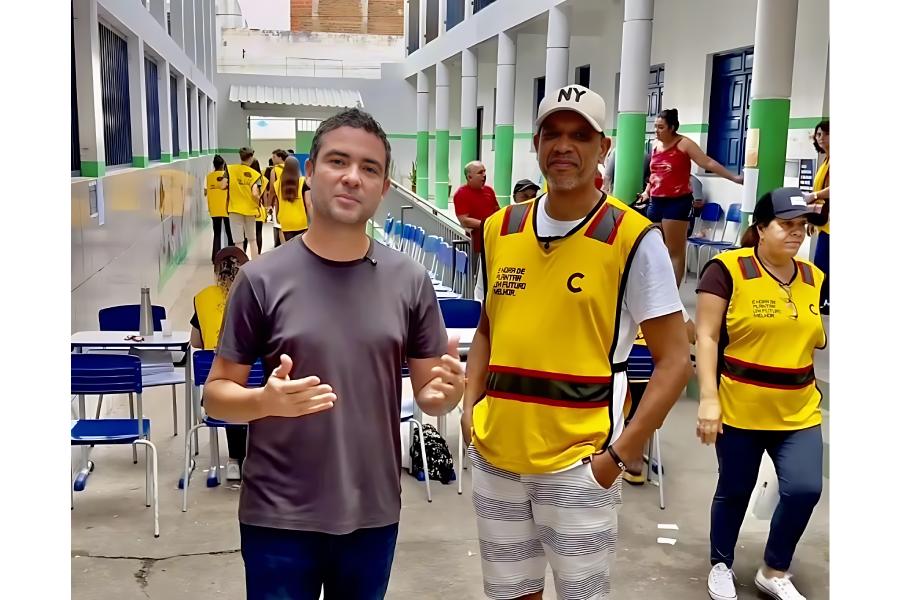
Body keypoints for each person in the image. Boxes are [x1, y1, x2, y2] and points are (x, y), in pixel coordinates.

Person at [203, 108, 466, 600]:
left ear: (384, 188)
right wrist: (263, 402)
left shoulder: (409, 281)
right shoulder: (261, 279)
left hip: (372, 513)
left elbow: (431, 394)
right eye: (338, 161)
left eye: (370, 168)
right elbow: (215, 395)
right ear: (310, 172)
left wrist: (447, 394)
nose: (352, 177)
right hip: (278, 516)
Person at [461, 84, 692, 600]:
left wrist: (619, 456)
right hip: (495, 455)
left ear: (603, 147)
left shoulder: (632, 238)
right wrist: (470, 408)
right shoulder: (501, 228)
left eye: (580, 136)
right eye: (553, 134)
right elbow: (487, 329)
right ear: (537, 144)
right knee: (509, 594)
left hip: (580, 464)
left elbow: (676, 361)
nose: (564, 146)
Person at [695, 187, 827, 600]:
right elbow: (706, 335)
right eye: (786, 225)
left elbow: (811, 342)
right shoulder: (727, 270)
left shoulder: (813, 277)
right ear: (761, 227)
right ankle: (721, 563)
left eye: (802, 226)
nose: (797, 233)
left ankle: (774, 569)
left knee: (804, 489)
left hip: (798, 409)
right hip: (740, 407)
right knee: (734, 490)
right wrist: (708, 399)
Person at [639, 108, 743, 285]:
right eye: (655, 127)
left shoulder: (684, 144)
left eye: (661, 127)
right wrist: (646, 192)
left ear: (672, 128)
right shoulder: (655, 145)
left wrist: (734, 178)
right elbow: (655, 174)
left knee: (674, 251)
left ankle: (672, 294)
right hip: (656, 202)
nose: (656, 131)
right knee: (656, 249)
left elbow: (707, 162)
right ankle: (657, 289)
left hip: (677, 202)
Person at [190, 247, 250, 480]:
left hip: (217, 390)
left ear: (216, 271)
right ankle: (252, 457)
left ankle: (234, 460)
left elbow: (196, 342)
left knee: (226, 387)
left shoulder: (202, 298)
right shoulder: (255, 294)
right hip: (255, 386)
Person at [453, 161, 500, 302]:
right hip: (475, 246)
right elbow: (464, 220)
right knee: (475, 279)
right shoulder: (461, 194)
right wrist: (487, 224)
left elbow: (497, 211)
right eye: (480, 172)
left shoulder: (489, 191)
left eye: (484, 171)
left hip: (493, 243)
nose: (484, 175)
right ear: (469, 177)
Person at [805, 120, 829, 315]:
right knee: (821, 263)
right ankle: (822, 301)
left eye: (826, 134)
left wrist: (814, 196)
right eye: (819, 134)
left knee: (823, 264)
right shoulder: (826, 159)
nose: (822, 138)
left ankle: (825, 301)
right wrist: (812, 218)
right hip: (825, 220)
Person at [225, 147, 263, 259]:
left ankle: (241, 264)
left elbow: (222, 185)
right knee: (252, 239)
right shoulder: (255, 174)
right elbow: (255, 193)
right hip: (250, 210)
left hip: (234, 209)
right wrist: (258, 202)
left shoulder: (230, 169)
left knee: (238, 241)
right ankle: (255, 263)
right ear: (251, 157)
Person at [274, 156, 309, 242]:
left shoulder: (277, 183)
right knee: (301, 246)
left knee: (290, 245)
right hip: (301, 220)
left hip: (285, 220)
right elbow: (308, 203)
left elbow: (277, 202)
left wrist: (277, 216)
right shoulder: (303, 182)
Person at [205, 155, 234, 261]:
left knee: (217, 234)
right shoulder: (227, 176)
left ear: (214, 165)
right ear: (223, 165)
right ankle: (230, 256)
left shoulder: (208, 177)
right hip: (227, 208)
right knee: (229, 234)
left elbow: (206, 192)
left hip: (214, 208)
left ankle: (215, 257)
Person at [248, 159, 269, 257]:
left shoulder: (248, 178)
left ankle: (244, 256)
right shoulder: (263, 179)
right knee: (258, 232)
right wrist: (266, 209)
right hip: (259, 208)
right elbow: (264, 197)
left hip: (248, 209)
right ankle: (258, 255)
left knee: (247, 235)